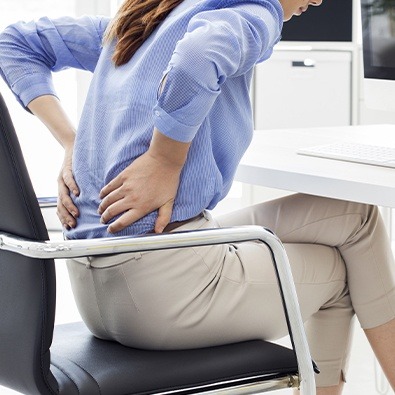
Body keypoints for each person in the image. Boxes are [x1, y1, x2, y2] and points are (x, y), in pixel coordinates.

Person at [0, 0, 395, 393]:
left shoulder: (142, 23)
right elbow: (199, 55)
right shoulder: (253, 12)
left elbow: (13, 42)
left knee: (355, 215)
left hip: (97, 288)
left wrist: (74, 142)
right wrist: (164, 159)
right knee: (340, 272)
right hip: (162, 293)